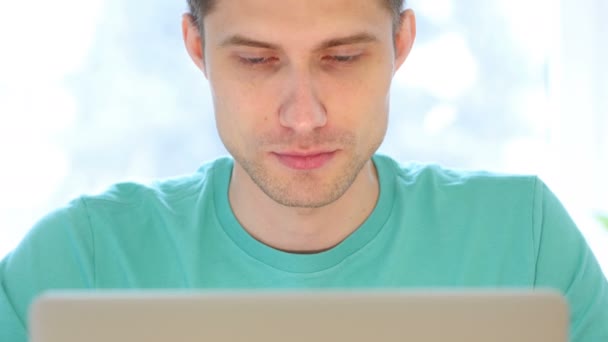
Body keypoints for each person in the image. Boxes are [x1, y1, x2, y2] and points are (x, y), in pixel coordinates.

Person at [1, 0, 607, 340]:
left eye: (342, 57)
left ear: (400, 44)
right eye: (257, 60)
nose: (304, 116)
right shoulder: (80, 262)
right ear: (197, 49)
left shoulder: (523, 242)